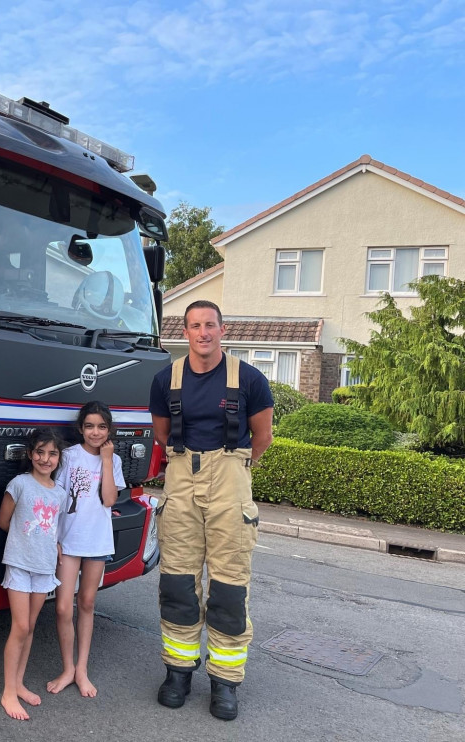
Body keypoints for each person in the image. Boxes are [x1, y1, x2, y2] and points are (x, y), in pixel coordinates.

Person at [148, 300, 273, 721]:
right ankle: (178, 672)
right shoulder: (166, 379)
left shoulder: (250, 379)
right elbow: (163, 434)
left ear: (223, 329)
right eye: (195, 326)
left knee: (228, 587)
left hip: (230, 480)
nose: (203, 333)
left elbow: (263, 436)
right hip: (182, 476)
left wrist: (232, 468)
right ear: (185, 332)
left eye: (210, 325)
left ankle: (225, 682)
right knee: (178, 583)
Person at [47, 401, 125, 698]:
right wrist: (53, 537)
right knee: (64, 606)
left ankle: (82, 669)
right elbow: (56, 497)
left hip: (96, 540)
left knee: (88, 603)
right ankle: (67, 668)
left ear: (109, 430)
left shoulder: (112, 460)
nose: (95, 432)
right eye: (90, 426)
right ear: (81, 428)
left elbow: (108, 500)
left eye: (102, 427)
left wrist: (106, 460)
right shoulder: (68, 456)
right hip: (69, 540)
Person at [0, 428, 65, 721]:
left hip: (44, 567)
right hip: (20, 563)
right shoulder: (20, 484)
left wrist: (55, 545)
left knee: (31, 626)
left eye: (52, 453)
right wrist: (25, 542)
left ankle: (18, 683)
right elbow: (3, 521)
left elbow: (55, 529)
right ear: (30, 454)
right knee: (20, 626)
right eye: (40, 452)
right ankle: (7, 692)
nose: (45, 458)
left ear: (59, 457)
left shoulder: (60, 493)